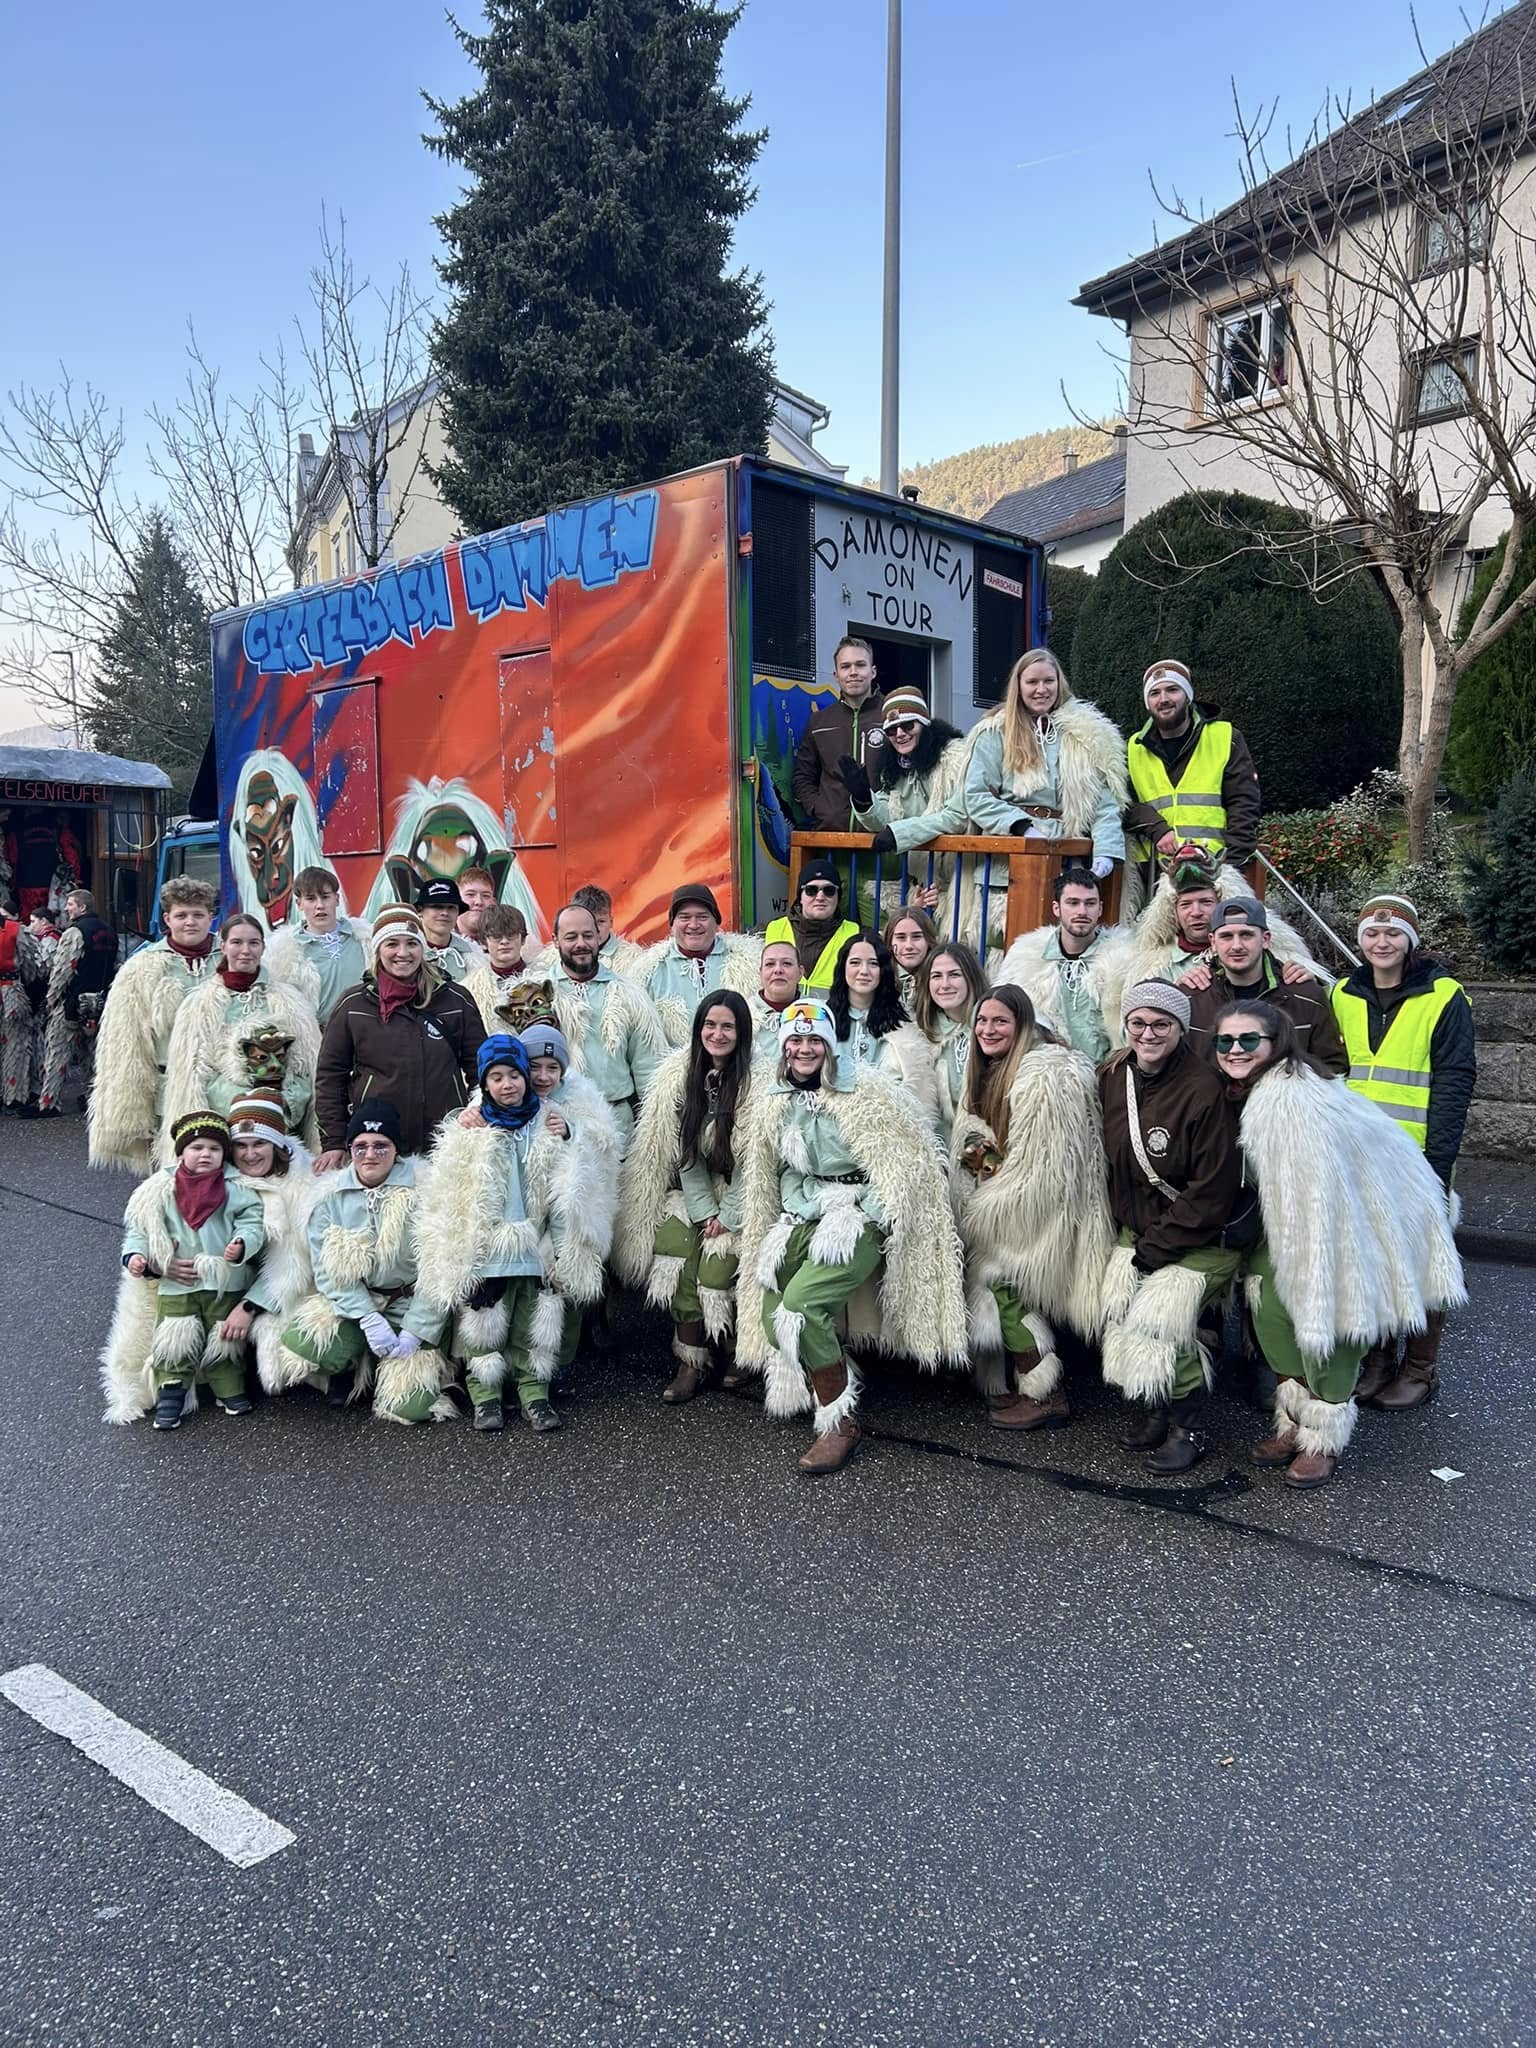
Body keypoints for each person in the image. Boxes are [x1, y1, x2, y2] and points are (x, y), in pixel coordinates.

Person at [1212, 1001, 1465, 1486]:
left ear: (1276, 1043)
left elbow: (1318, 1191)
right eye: (1226, 1040)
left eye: (1249, 1040)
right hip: (1278, 1224)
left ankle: (1324, 1437)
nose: (1236, 1049)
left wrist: (1310, 1260)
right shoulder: (1251, 1090)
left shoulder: (1292, 1097)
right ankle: (1295, 1421)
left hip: (1329, 1228)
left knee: (1325, 1321)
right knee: (1271, 1317)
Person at [735, 1000, 968, 1473]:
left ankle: (839, 1422)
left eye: (813, 1040)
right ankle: (828, 1376)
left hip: (859, 1215)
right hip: (809, 1211)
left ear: (828, 1044)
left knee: (801, 1306)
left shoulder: (865, 1092)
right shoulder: (777, 1100)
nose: (804, 1049)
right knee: (769, 1308)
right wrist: (804, 1202)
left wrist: (868, 1210)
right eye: (795, 1041)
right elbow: (784, 1170)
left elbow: (909, 1163)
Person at [1330, 893, 1476, 1410]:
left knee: (1424, 1259)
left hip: (1417, 1154)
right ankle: (1377, 1359)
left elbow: (1456, 1080)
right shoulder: (1343, 992)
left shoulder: (1443, 995)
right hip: (1358, 1153)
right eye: (1372, 932)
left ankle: (1421, 1367)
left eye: (1393, 934)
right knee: (1369, 1258)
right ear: (1361, 940)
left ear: (1410, 941)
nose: (1382, 941)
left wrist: (1438, 1165)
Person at [1098, 979, 1243, 1474]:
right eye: (1138, 1022)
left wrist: (1155, 1248)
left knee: (1162, 1319)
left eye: (1162, 1024)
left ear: (1181, 1028)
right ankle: (1156, 1405)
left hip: (1201, 1234)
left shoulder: (1205, 1090)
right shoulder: (1114, 1075)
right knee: (1120, 1311)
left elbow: (1212, 1193)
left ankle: (1189, 1426)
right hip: (1140, 1227)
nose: (1148, 1032)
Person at [950, 986, 1112, 1429]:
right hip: (1006, 1197)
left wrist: (985, 1208)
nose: (988, 1029)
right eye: (982, 1021)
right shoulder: (994, 1068)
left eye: (999, 1021)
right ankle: (1022, 1379)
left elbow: (1046, 1169)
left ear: (1021, 1025)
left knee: (999, 1279)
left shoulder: (1047, 1074)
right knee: (995, 1279)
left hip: (1048, 1213)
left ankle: (1045, 1392)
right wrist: (979, 1157)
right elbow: (981, 1138)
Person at [414, 1037, 585, 1434]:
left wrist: (559, 1247)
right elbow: (452, 1192)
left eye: (514, 1075)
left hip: (533, 1246)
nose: (508, 1084)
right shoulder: (471, 1126)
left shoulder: (547, 1120)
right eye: (496, 1077)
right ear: (484, 1084)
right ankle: (486, 1395)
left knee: (533, 1324)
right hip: (488, 1249)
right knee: (483, 1325)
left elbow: (566, 1183)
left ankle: (534, 1393)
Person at [275, 1099, 453, 1423]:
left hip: (411, 1302)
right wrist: (368, 1318)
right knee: (303, 1344)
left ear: (396, 1149)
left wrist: (415, 1330)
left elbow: (441, 1269)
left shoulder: (426, 1191)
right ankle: (353, 1363)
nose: (370, 1155)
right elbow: (329, 1273)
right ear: (350, 1149)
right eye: (361, 1146)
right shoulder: (329, 1198)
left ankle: (398, 1366)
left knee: (411, 1408)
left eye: (381, 1147)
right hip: (361, 1299)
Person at [616, 992, 755, 1402]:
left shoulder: (756, 1081)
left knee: (718, 1267)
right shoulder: (682, 1076)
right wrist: (703, 1211)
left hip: (740, 1194)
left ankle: (736, 1350)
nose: (717, 1033)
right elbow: (686, 1154)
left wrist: (726, 1214)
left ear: (741, 1031)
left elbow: (755, 1163)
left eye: (727, 1026)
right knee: (676, 1250)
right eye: (710, 1025)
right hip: (695, 1191)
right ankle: (690, 1358)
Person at [102, 1111, 266, 1431]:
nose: (205, 1154)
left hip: (224, 1280)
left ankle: (229, 1389)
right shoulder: (160, 1190)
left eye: (214, 1149)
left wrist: (243, 1243)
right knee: (175, 1338)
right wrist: (137, 1256)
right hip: (179, 1282)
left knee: (225, 1338)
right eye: (197, 1148)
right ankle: (171, 1393)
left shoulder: (236, 1189)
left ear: (224, 1154)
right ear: (181, 1152)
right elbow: (140, 1228)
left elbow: (253, 1221)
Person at [961, 648, 1128, 935]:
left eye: (1048, 681)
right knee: (1003, 948)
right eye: (1032, 682)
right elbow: (975, 795)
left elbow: (1104, 804)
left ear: (1059, 683)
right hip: (1007, 867)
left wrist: (1106, 853)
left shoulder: (1082, 736)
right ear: (1019, 686)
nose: (1041, 690)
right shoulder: (994, 733)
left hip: (1068, 862)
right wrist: (1021, 827)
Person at [312, 905, 483, 1169]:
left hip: (447, 1139)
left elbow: (479, 1069)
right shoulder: (353, 1004)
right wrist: (334, 1141)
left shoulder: (455, 999)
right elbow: (330, 1077)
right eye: (392, 943)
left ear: (422, 949)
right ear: (378, 950)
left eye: (412, 943)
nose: (403, 953)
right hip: (376, 1142)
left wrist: (479, 1117)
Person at [159, 912, 321, 1160]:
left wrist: (283, 1104)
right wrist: (245, 1106)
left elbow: (307, 1068)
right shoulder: (198, 1005)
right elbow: (193, 1076)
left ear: (263, 947)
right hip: (222, 1129)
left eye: (253, 943)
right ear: (222, 946)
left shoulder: (291, 1002)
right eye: (236, 942)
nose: (245, 950)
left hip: (283, 1128)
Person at [89, 876, 221, 1173]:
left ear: (211, 917)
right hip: (167, 1089)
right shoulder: (142, 968)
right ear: (167, 919)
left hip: (222, 1087)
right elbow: (125, 1044)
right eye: (181, 915)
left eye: (198, 914)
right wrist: (131, 1110)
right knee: (172, 1179)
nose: (190, 922)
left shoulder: (231, 958)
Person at [211, 1088, 325, 1401]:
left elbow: (295, 1265)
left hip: (288, 1287)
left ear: (277, 1144)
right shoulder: (223, 1179)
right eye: (241, 1146)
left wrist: (249, 1307)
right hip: (235, 1276)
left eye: (259, 1143)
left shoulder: (303, 1183)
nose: (250, 1155)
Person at [1124, 658, 1262, 895]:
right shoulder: (1133, 747)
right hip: (1155, 874)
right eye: (1154, 693)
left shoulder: (1225, 737)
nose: (1164, 699)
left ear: (1188, 695)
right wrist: (1156, 827)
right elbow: (1121, 804)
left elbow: (1244, 804)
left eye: (1172, 689)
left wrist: (1232, 867)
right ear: (1147, 703)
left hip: (1215, 867)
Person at [542, 903, 667, 1153]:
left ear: (599, 937)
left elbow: (648, 1069)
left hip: (618, 1124)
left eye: (588, 935)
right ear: (555, 941)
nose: (581, 943)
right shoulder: (536, 994)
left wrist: (655, 1129)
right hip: (554, 1122)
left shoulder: (629, 994)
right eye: (571, 937)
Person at [1124, 846, 1324, 989]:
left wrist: (1312, 983)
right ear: (1172, 910)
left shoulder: (1267, 956)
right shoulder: (1152, 967)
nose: (1196, 912)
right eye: (1185, 905)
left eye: (1206, 902)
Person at [1184, 897, 1345, 1074]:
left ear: (1266, 939)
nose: (1236, 946)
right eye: (1226, 936)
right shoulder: (1191, 998)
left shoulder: (1306, 996)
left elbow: (1332, 1067)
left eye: (1246, 935)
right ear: (1213, 942)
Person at [842, 688, 966, 916]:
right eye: (891, 730)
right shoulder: (895, 769)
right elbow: (887, 819)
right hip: (923, 882)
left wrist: (899, 834)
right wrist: (863, 798)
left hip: (962, 879)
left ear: (925, 724)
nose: (899, 733)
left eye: (908, 726)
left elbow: (956, 817)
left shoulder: (956, 759)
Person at [995, 865, 1134, 1064]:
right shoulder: (1026, 955)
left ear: (1100, 908)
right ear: (1056, 908)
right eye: (1073, 903)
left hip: (1109, 1071)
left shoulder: (1124, 957)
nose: (1082, 911)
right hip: (1045, 1070)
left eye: (1090, 903)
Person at [625, 883, 760, 1047]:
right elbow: (638, 1038)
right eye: (684, 917)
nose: (694, 925)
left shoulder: (751, 962)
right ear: (672, 924)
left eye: (702, 917)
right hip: (674, 1069)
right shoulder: (647, 972)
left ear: (716, 922)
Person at [825, 929, 940, 1120]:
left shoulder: (907, 1027)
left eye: (873, 963)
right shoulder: (823, 1020)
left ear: (883, 970)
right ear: (842, 968)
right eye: (855, 962)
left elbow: (919, 1097)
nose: (864, 971)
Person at [36, 886, 117, 1116]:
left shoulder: (75, 932)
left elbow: (63, 970)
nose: (66, 908)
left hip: (71, 1002)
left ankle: (48, 1103)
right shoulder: (110, 932)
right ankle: (96, 1100)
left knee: (58, 1051)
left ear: (82, 907)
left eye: (70, 904)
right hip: (99, 1002)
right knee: (91, 1054)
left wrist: (51, 1000)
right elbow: (114, 967)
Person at [791, 636, 883, 833]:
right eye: (846, 666)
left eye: (860, 665)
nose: (853, 672)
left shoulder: (892, 717)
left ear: (873, 672)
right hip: (831, 839)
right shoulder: (819, 722)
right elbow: (802, 778)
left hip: (881, 840)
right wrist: (821, 809)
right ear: (836, 675)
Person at [264, 867, 372, 1026]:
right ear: (299, 903)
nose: (320, 905)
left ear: (336, 899)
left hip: (366, 1032)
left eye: (325, 897)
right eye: (311, 899)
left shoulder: (366, 938)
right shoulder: (282, 952)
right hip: (320, 1039)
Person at [911, 941, 988, 1137]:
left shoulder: (993, 1030)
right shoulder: (916, 1037)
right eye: (936, 976)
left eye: (954, 975)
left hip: (986, 1152)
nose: (945, 984)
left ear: (971, 977)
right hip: (937, 1153)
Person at [763, 860, 861, 994]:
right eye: (811, 890)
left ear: (838, 897)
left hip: (835, 1014)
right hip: (780, 1014)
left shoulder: (856, 935)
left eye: (829, 890)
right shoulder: (771, 929)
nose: (820, 897)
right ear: (800, 897)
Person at [463, 904, 531, 1029]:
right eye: (496, 936)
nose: (504, 941)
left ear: (523, 939)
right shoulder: (469, 989)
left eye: (511, 935)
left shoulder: (545, 979)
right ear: (484, 942)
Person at [415, 876, 484, 983]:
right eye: (437, 906)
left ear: (458, 913)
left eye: (451, 907)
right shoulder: (406, 951)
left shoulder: (473, 956)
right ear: (420, 911)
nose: (445, 913)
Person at [748, 938, 803, 1059]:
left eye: (787, 963)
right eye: (770, 964)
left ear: (800, 972)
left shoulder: (819, 1014)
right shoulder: (742, 1013)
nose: (778, 970)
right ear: (760, 973)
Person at [884, 905, 938, 1012]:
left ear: (928, 941)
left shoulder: (940, 979)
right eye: (901, 937)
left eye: (916, 937)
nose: (909, 946)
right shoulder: (879, 977)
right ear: (890, 942)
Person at [0, 901, 26, 1112]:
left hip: (10, 989)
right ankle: (13, 1095)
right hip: (12, 990)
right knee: (13, 1044)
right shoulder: (16, 929)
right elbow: (31, 964)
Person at [456, 865, 498, 943]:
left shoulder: (506, 944)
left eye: (486, 896)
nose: (479, 902)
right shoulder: (437, 942)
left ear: (494, 903)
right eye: (470, 894)